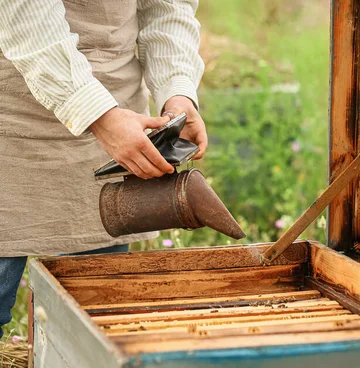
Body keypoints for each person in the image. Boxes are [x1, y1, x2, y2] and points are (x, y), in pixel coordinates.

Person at [0, 0, 207, 338]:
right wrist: (97, 114)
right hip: (11, 119)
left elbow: (167, 7)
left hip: (120, 117)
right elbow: (26, 18)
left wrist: (178, 92)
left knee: (92, 324)